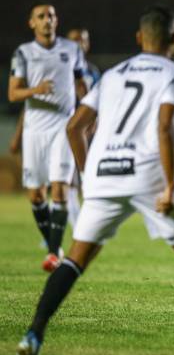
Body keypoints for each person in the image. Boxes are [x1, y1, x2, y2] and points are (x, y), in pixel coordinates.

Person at [15, 5, 174, 355]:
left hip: (103, 174)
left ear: (137, 38)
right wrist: (166, 185)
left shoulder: (112, 74)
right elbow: (165, 128)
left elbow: (74, 128)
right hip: (145, 172)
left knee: (75, 258)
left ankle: (33, 334)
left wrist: (87, 178)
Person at [8, 2, 88, 272]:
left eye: (51, 16)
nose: (47, 20)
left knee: (60, 189)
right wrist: (36, 90)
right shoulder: (23, 53)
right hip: (35, 130)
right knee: (35, 195)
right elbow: (13, 93)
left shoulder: (71, 50)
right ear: (32, 23)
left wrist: (89, 109)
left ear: (57, 20)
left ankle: (54, 253)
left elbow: (80, 83)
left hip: (63, 128)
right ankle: (53, 244)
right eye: (41, 17)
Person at [63, 27, 102, 228]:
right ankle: (71, 225)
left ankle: (82, 225)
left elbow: (99, 100)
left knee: (84, 177)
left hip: (85, 131)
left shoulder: (93, 72)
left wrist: (95, 121)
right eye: (75, 39)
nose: (80, 44)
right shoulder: (59, 67)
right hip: (62, 129)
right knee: (64, 179)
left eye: (83, 40)